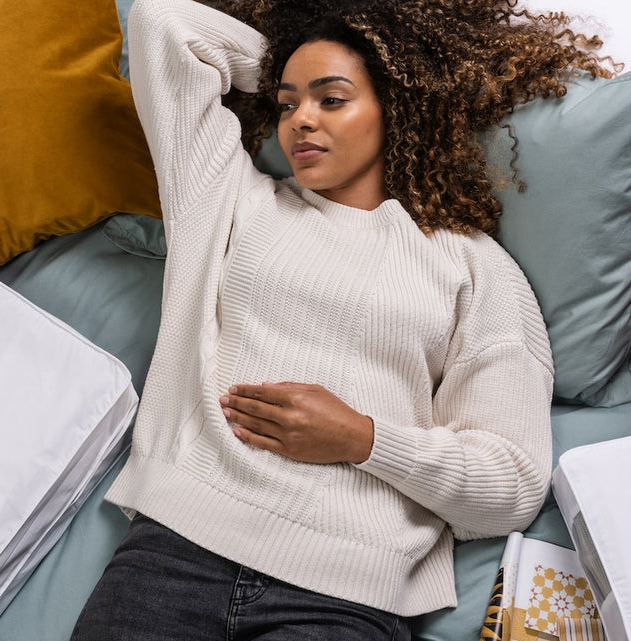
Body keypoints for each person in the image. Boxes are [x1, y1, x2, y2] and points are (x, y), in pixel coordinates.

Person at [71, 0, 617, 638]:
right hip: (175, 557)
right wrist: (293, 65)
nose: (300, 120)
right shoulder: (229, 200)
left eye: (333, 100)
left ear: (396, 106)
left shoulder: (476, 271)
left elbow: (512, 484)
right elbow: (166, 26)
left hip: (343, 598)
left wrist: (362, 439)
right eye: (285, 104)